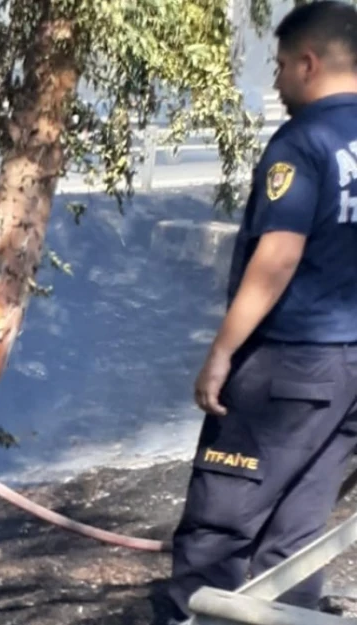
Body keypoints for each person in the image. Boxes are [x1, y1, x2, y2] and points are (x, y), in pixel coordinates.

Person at [161, 2, 357, 622]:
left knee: (217, 531)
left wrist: (221, 354)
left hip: (289, 367)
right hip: (349, 374)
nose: (275, 83)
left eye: (278, 67)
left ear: (309, 62)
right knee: (296, 536)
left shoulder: (303, 141)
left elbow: (277, 257)